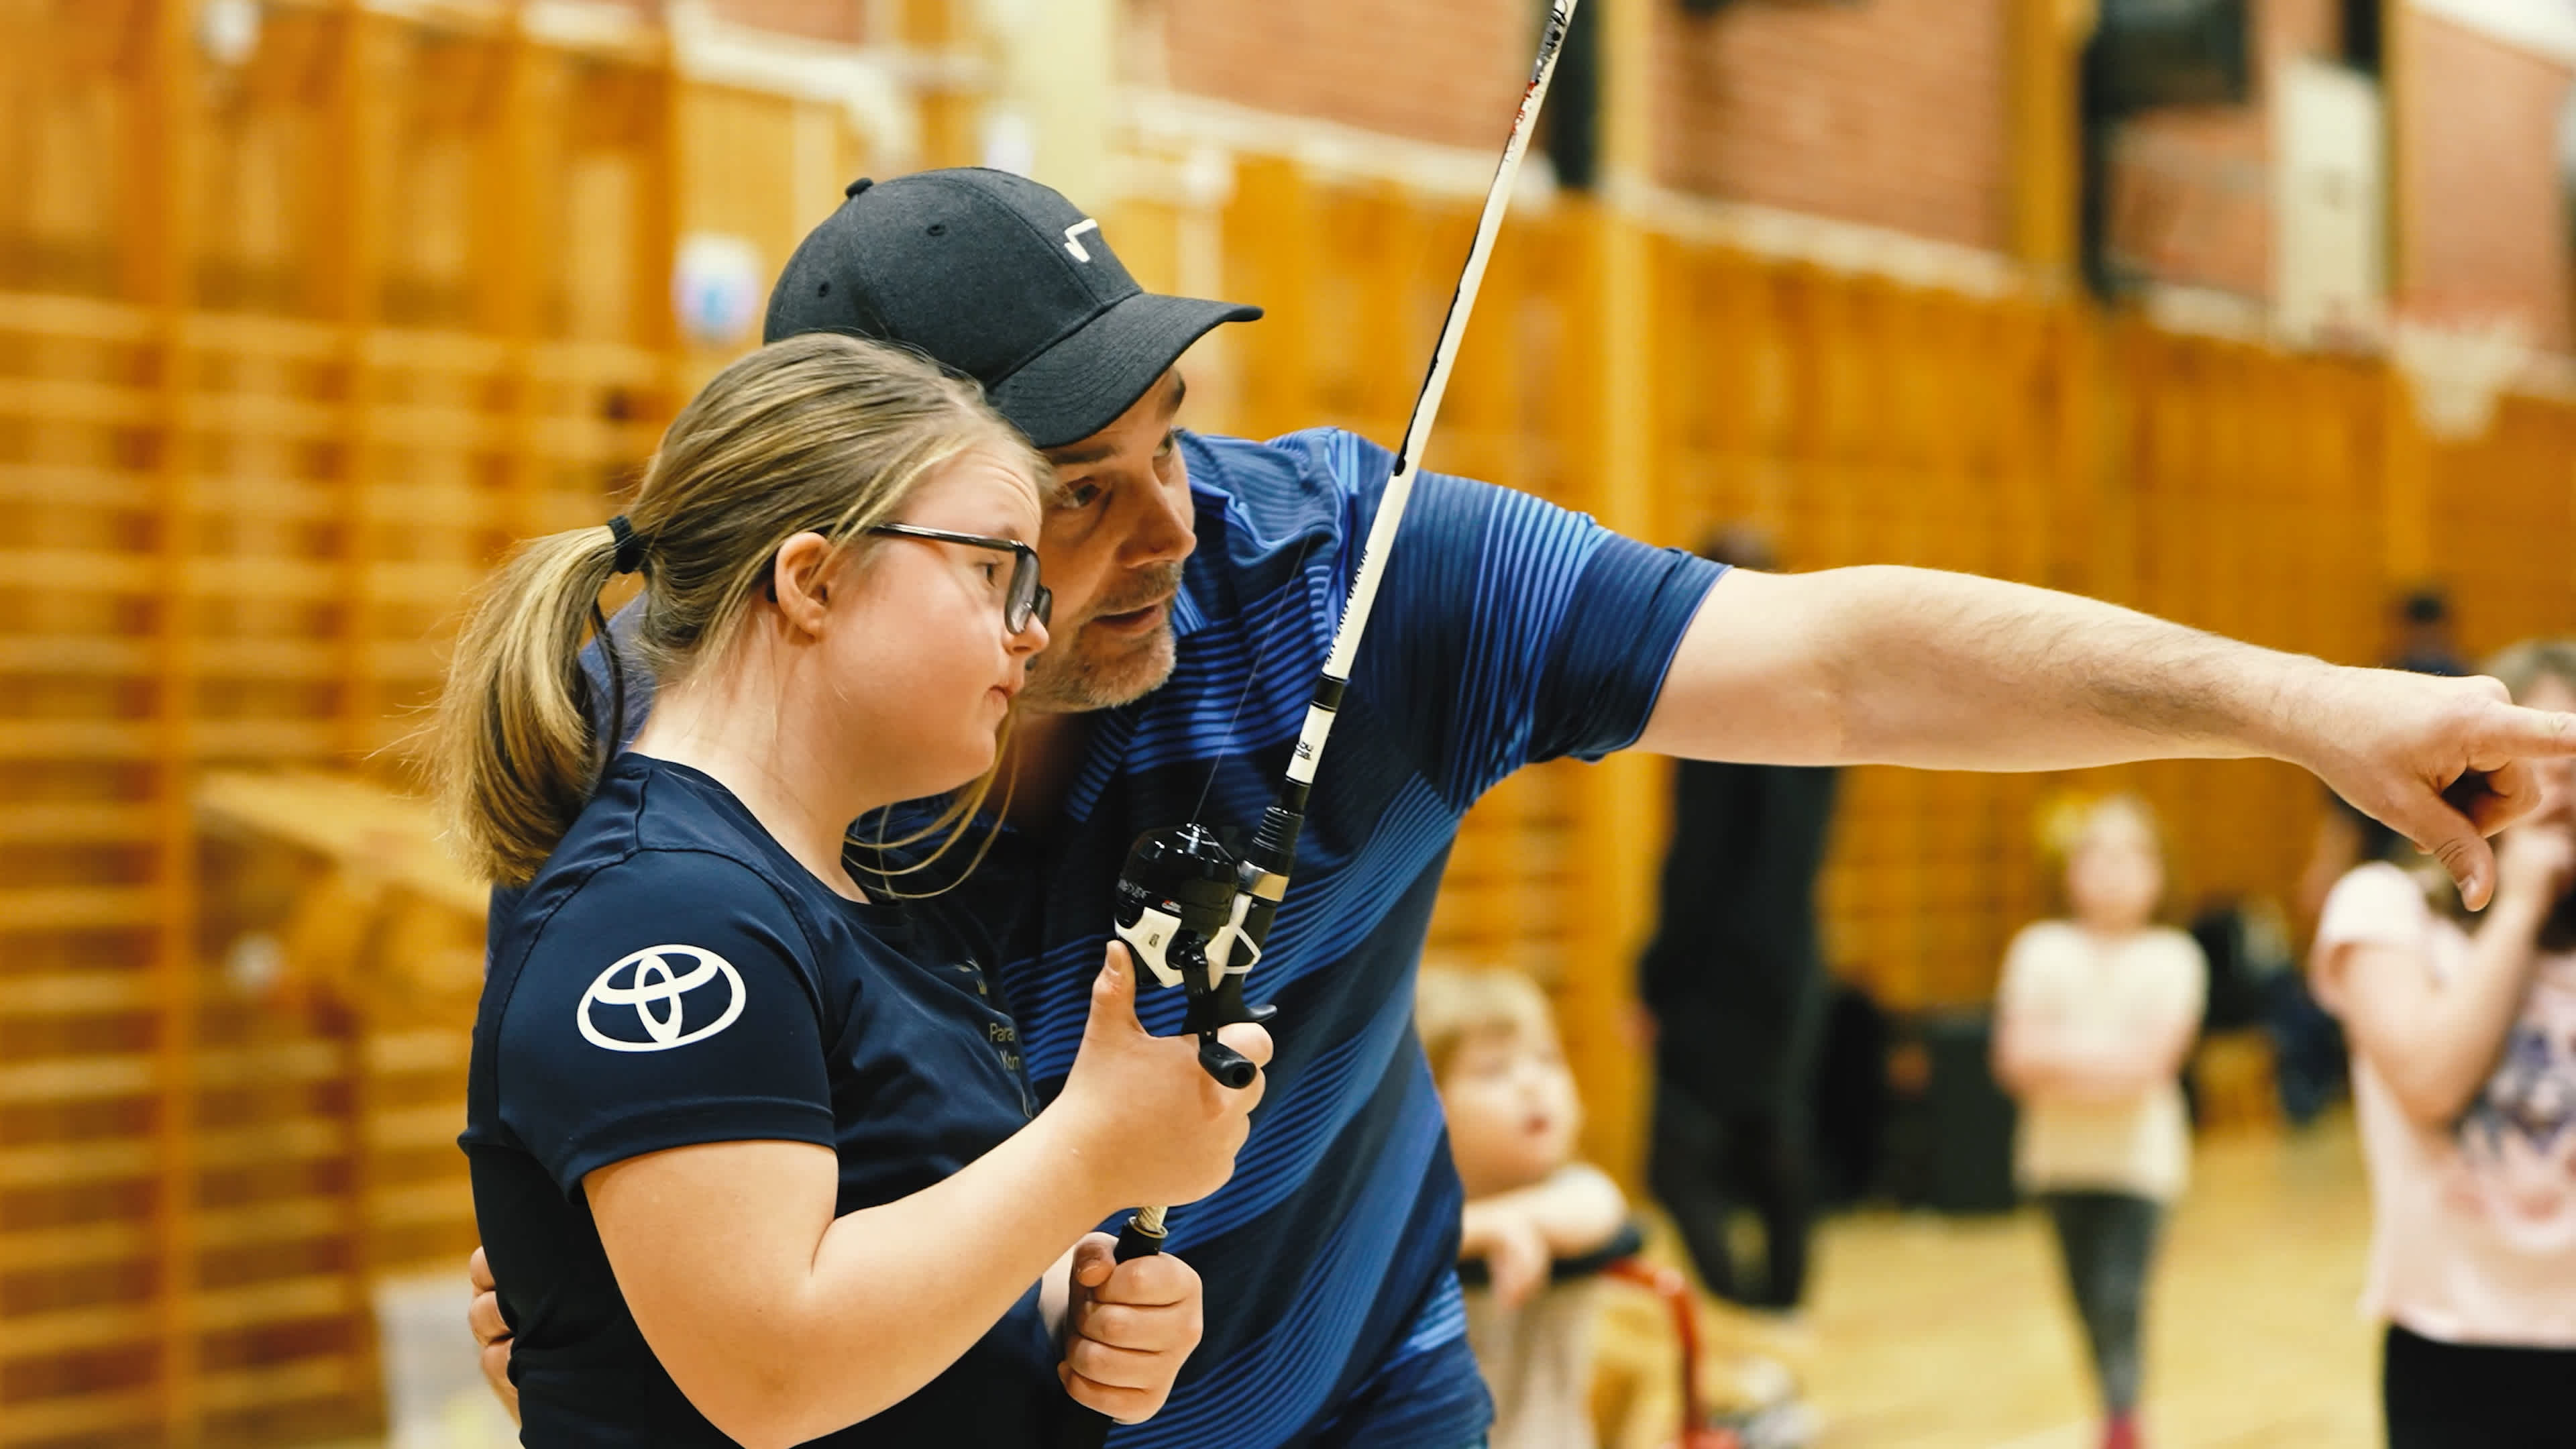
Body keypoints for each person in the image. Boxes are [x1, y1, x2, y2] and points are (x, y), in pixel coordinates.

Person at [473, 166, 2576, 1449]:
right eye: (1071, 501)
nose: (1172, 528)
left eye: (1172, 436)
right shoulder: (688, 756)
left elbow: (1837, 658)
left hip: (1337, 1392)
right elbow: (657, 1208)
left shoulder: (1345, 575)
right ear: (829, 559)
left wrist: (2304, 710)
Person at [440, 334, 1268, 1446]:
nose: (1034, 628)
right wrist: (1088, 1157)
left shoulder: (885, 903)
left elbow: (888, 1238)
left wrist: (1062, 1310)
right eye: (994, 571)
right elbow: (771, 1373)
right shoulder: (667, 911)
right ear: (813, 580)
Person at [2310, 637, 2576, 1449]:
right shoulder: (2385, 906)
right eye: (2541, 749)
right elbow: (2429, 1080)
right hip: (2453, 1346)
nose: (2563, 781)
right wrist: (2519, 905)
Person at [1640, 527, 1838, 1317]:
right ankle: (1780, 1311)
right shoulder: (1819, 704)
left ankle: (1741, 1314)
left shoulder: (1716, 711)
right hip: (1794, 957)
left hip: (1718, 967)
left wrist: (1655, 977)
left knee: (1676, 1159)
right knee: (1773, 1139)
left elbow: (1699, 864)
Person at [1992, 796, 2208, 1449]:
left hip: (2140, 1167)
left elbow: (2147, 1066)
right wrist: (2108, 1063)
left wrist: (2064, 1060)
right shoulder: (2039, 948)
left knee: (2120, 1296)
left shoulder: (2174, 955)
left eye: (2130, 855)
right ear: (2068, 870)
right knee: (2085, 1300)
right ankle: (2112, 1404)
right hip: (2056, 1163)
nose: (2112, 871)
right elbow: (2016, 1059)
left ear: (2160, 871)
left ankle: (2122, 1420)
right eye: (2096, 854)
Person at [1417, 963, 1632, 1449]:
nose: (1533, 1084)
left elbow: (1600, 1204)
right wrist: (1487, 1230)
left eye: (1549, 1060)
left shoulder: (1570, 1189)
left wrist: (1514, 1223)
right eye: (1494, 1070)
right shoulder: (1399, 1209)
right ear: (1424, 1104)